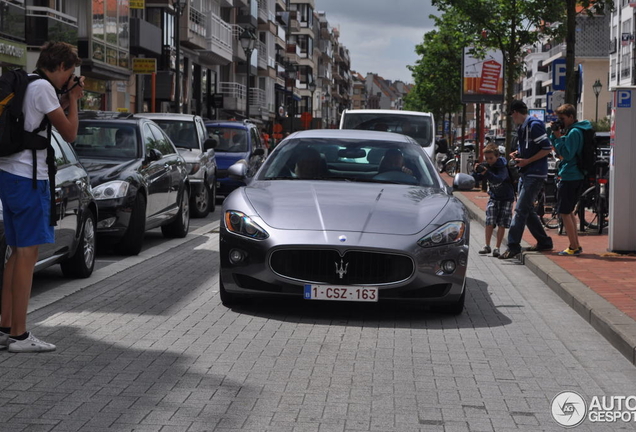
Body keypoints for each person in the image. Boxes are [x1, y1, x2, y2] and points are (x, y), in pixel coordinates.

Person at [0, 42, 84, 353]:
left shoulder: (28, 84)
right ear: (61, 66)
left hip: (7, 176)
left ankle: (5, 326)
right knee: (27, 255)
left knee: (15, 252)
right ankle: (20, 336)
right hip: (28, 180)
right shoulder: (44, 89)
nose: (69, 79)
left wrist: (63, 97)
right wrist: (74, 100)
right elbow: (70, 133)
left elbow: (38, 118)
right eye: (69, 73)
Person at [499, 100, 554, 260]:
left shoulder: (533, 125)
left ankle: (513, 246)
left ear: (515, 112)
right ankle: (544, 242)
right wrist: (518, 154)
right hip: (527, 172)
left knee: (520, 210)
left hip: (534, 174)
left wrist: (527, 161)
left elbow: (546, 148)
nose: (511, 118)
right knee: (527, 210)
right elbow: (531, 148)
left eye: (511, 115)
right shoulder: (523, 127)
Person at [549, 103, 590, 256]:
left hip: (571, 175)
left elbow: (566, 154)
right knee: (569, 211)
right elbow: (560, 148)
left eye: (562, 118)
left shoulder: (574, 132)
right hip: (574, 174)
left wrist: (558, 137)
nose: (560, 121)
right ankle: (575, 245)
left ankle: (573, 246)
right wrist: (555, 134)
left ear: (571, 117)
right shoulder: (576, 130)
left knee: (565, 212)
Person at [471, 144, 515, 257]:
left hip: (507, 198)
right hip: (494, 197)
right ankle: (487, 245)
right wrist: (476, 170)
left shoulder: (502, 167)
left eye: (491, 158)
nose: (489, 161)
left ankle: (497, 247)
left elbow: (498, 179)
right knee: (489, 221)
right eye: (486, 158)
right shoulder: (486, 166)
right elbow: (476, 178)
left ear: (497, 156)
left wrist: (486, 172)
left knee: (502, 223)